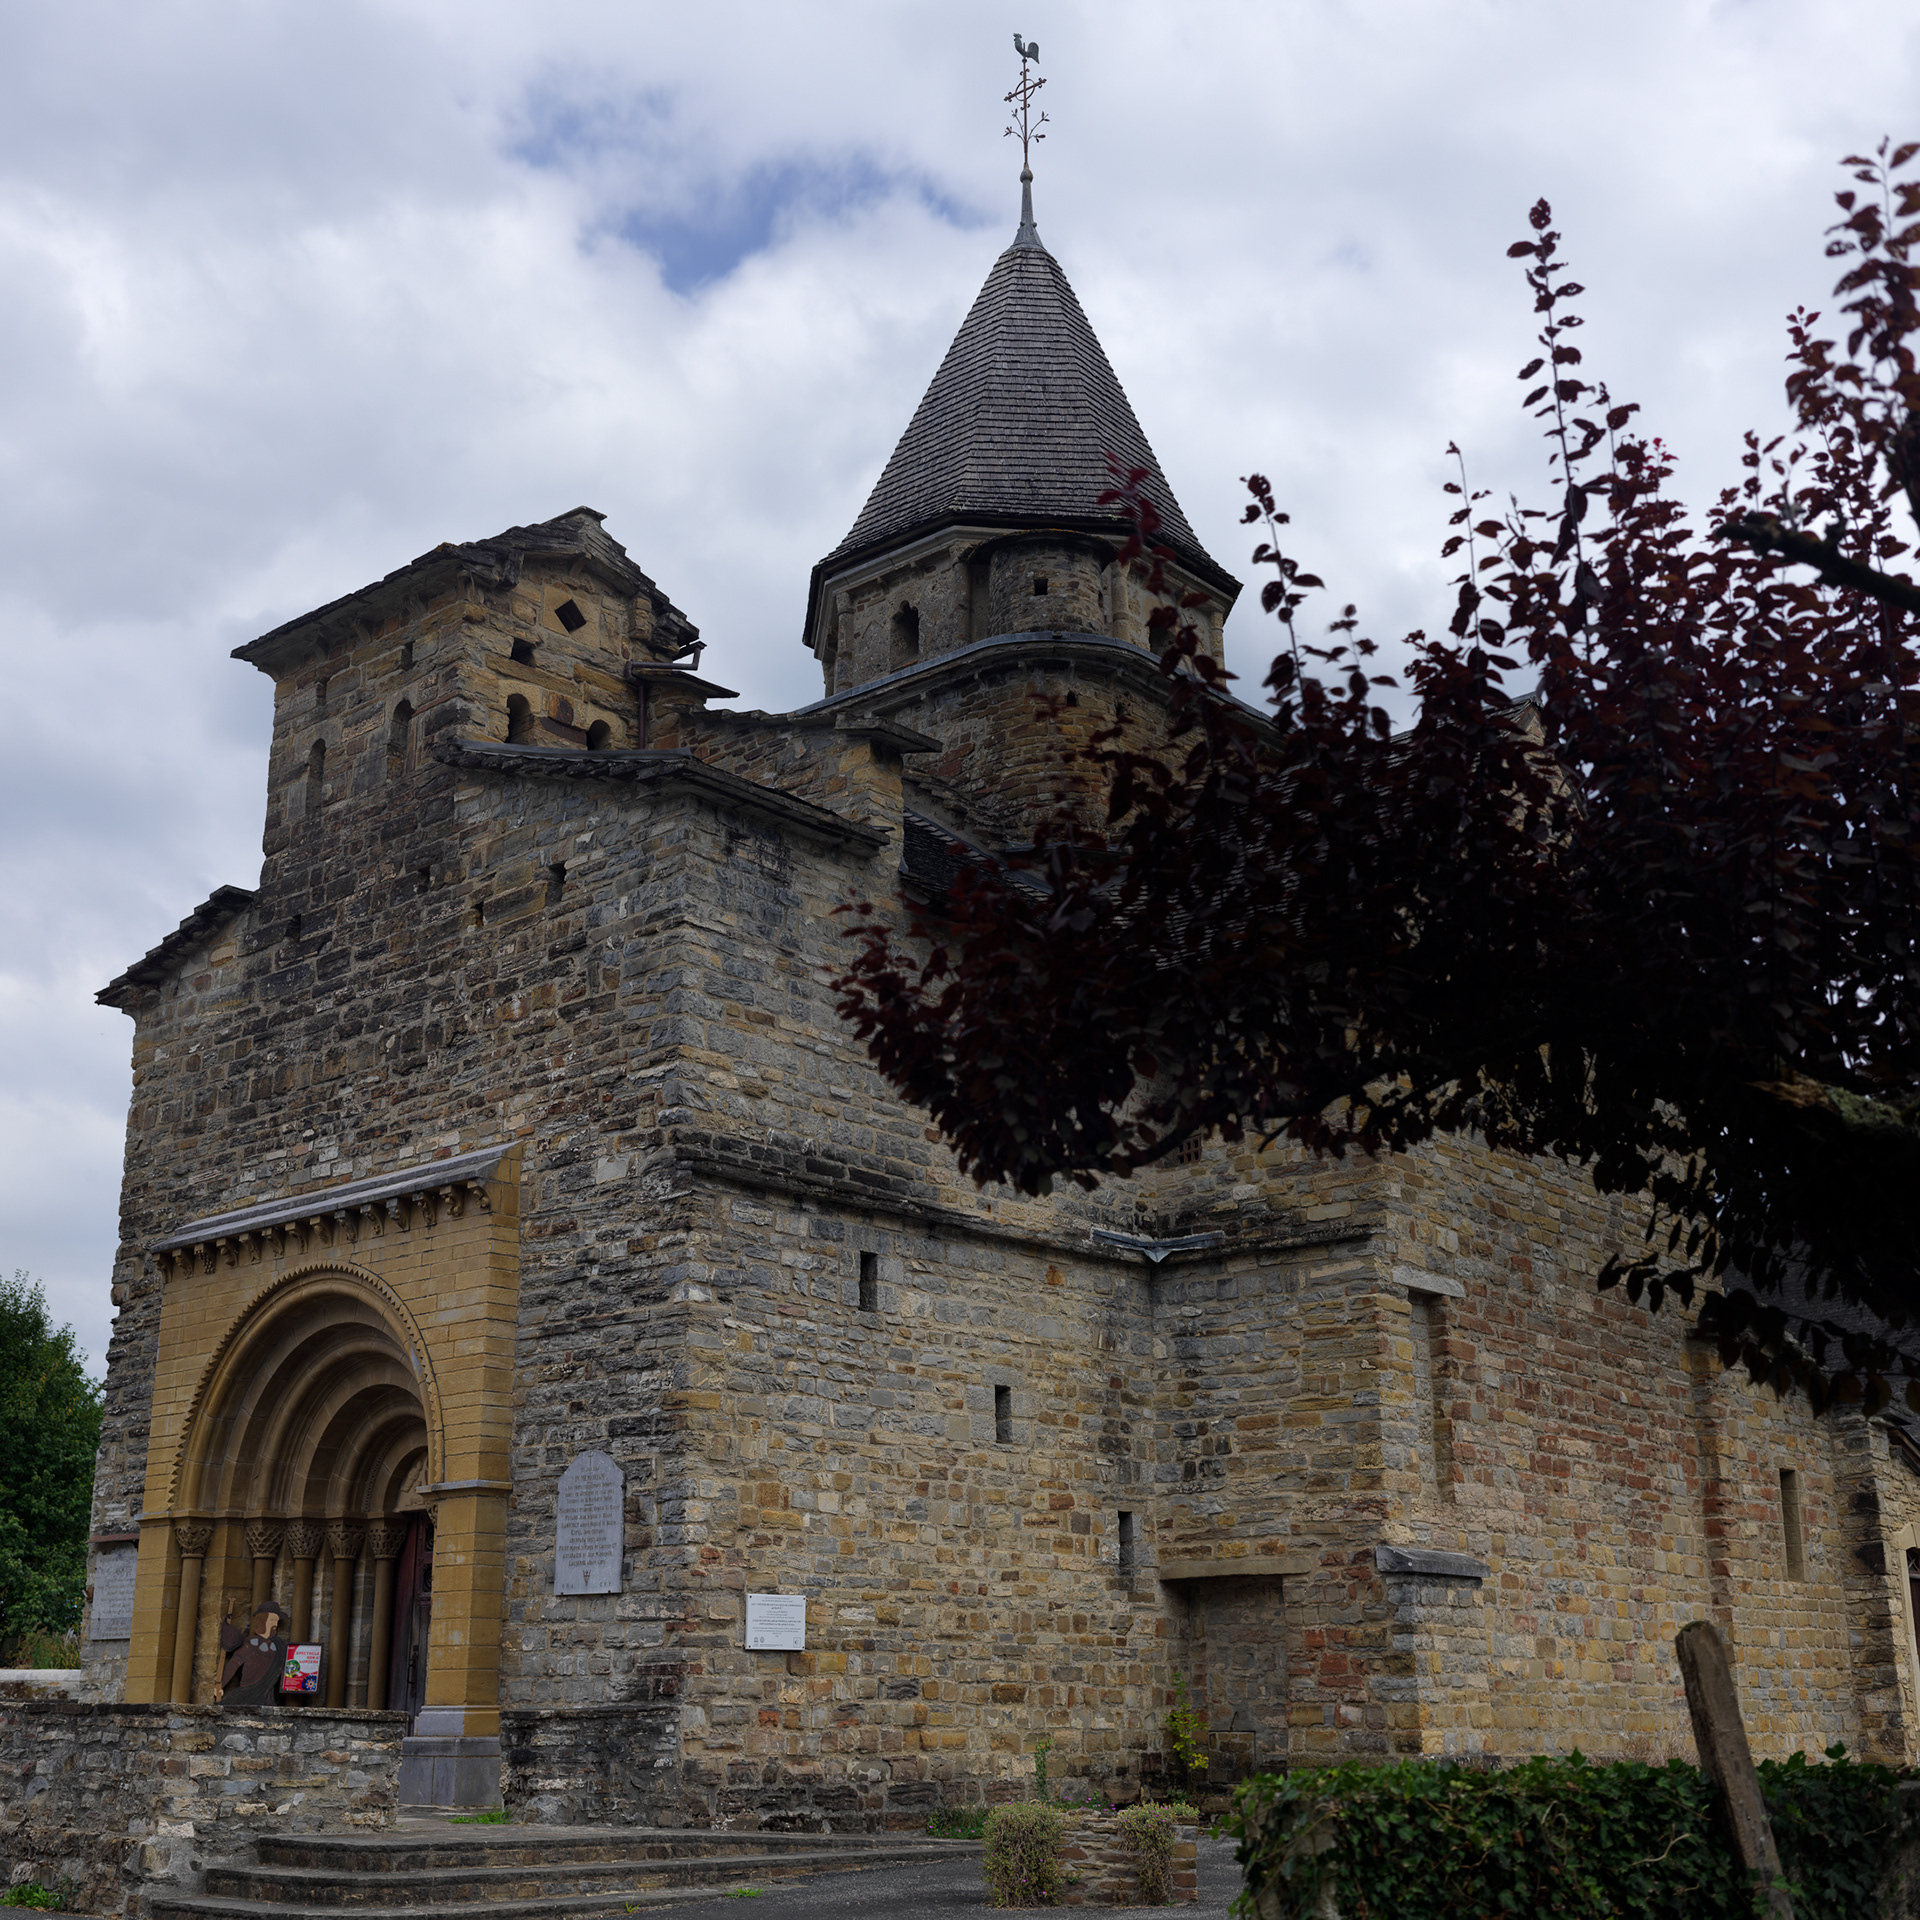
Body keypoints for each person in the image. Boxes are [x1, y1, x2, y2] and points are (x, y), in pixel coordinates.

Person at [213, 1598, 288, 1708]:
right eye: (272, 1620)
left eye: (276, 1621)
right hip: (247, 1692)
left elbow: (283, 1669)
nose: (275, 1624)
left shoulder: (279, 1646)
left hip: (267, 1696)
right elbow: (234, 1663)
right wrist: (221, 1685)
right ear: (263, 1620)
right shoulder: (251, 1644)